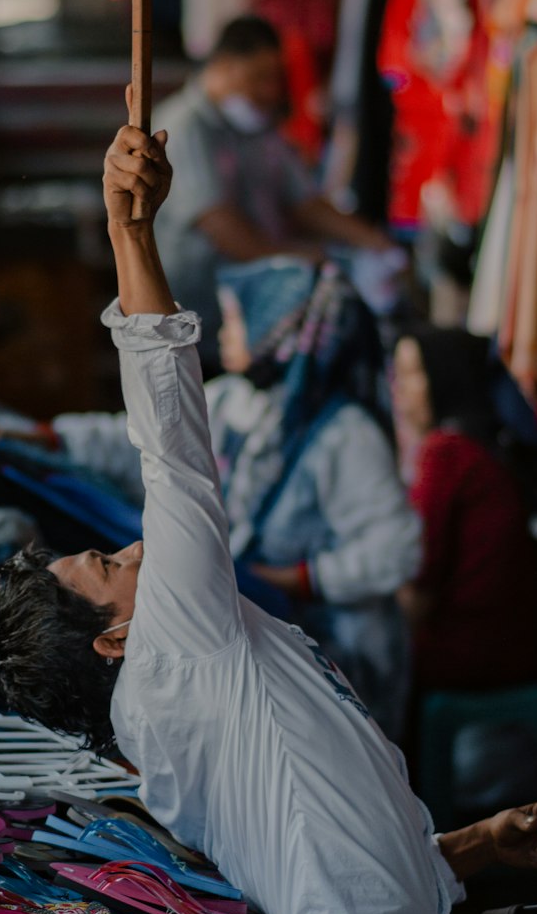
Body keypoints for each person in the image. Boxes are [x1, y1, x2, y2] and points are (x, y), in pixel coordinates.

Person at [0, 97, 537, 914]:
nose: (130, 545)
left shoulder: (195, 680)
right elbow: (172, 446)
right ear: (115, 638)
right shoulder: (174, 652)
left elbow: (325, 869)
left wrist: (473, 846)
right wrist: (132, 235)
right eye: (108, 566)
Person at [49, 254, 420, 739]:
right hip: (262, 628)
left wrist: (296, 580)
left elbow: (397, 550)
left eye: (240, 319)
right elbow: (137, 438)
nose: (223, 330)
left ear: (281, 331)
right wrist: (47, 439)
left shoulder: (346, 434)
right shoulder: (233, 402)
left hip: (341, 656)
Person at [152, 13, 398, 367]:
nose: (271, 91)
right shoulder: (183, 128)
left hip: (252, 318)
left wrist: (373, 243)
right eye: (259, 78)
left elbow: (305, 202)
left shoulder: (261, 127)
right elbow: (221, 226)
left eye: (274, 79)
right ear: (223, 67)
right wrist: (300, 263)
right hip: (197, 323)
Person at [393, 326, 537, 694]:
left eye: (414, 374)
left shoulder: (446, 453)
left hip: (478, 652)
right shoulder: (485, 441)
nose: (401, 391)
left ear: (446, 377)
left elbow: (423, 574)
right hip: (525, 640)